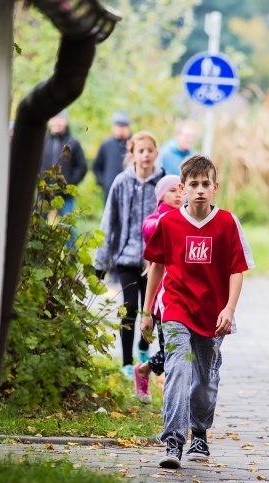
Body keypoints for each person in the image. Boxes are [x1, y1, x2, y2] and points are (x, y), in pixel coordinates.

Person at [140, 155, 254, 469]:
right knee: (178, 369)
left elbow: (236, 270)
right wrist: (147, 311)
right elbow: (157, 267)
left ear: (215, 187)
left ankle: (200, 432)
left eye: (206, 184)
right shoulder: (169, 223)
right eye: (193, 184)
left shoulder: (228, 223)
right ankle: (173, 442)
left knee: (205, 379)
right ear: (184, 188)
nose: (200, 190)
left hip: (213, 313)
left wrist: (229, 310)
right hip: (176, 307)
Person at [95, 131, 166, 377]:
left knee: (151, 310)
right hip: (126, 256)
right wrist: (101, 261)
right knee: (129, 307)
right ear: (132, 154)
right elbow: (109, 222)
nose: (146, 155)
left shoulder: (164, 183)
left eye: (150, 150)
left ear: (156, 153)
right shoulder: (121, 182)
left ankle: (143, 346)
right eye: (141, 151)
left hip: (154, 259)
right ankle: (127, 362)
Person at [133, 174, 185, 402]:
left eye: (181, 190)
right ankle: (144, 371)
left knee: (179, 350)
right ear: (161, 195)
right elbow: (153, 230)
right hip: (162, 298)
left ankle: (146, 370)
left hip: (185, 294)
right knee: (172, 351)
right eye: (172, 191)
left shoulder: (187, 218)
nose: (178, 195)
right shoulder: (154, 222)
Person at [40, 110, 87, 219]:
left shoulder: (73, 143)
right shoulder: (43, 142)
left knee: (67, 227)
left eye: (60, 119)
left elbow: (82, 167)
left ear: (65, 121)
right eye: (54, 119)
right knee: (38, 226)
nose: (56, 122)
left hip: (66, 195)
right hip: (44, 193)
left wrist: (69, 183)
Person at [92, 111, 132, 201]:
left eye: (123, 126)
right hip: (110, 191)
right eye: (118, 126)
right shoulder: (106, 145)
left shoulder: (135, 144)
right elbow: (96, 167)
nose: (120, 129)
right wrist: (104, 182)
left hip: (130, 191)